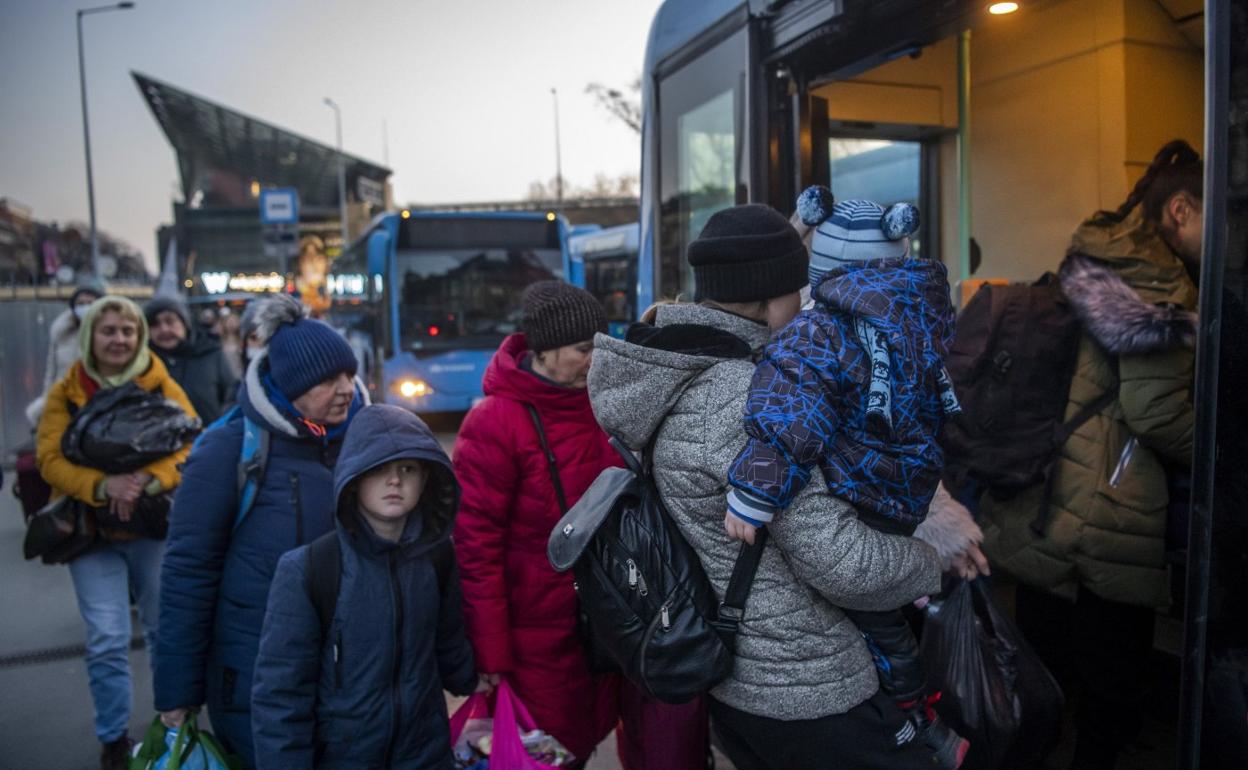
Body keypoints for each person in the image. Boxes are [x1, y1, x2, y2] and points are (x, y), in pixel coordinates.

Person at [588, 203, 952, 769]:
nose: (809, 301)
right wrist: (933, 563)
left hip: (745, 680)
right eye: (799, 288)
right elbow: (845, 565)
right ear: (764, 298)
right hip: (809, 687)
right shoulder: (742, 399)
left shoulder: (678, 368)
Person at [722, 191, 968, 767]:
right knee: (887, 615)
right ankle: (919, 709)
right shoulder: (919, 317)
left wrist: (753, 496)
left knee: (875, 622)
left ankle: (914, 716)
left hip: (855, 488)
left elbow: (787, 420)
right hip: (905, 493)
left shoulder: (818, 336)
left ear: (820, 271)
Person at [980, 140, 1199, 770]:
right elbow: (1156, 412)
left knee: (1048, 676)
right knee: (1112, 695)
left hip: (1050, 497)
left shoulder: (1097, 258)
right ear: (1181, 210)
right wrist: (1220, 456)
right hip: (1111, 507)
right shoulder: (1159, 286)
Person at [453, 281, 709, 768]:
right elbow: (475, 549)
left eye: (599, 344)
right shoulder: (495, 422)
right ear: (544, 351)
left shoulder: (606, 407)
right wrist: (489, 652)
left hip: (612, 625)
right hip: (537, 639)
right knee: (551, 753)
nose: (596, 358)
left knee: (596, 737)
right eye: (582, 348)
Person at [153, 294, 366, 769]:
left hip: (354, 670)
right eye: (329, 379)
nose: (347, 388)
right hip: (253, 673)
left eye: (350, 375)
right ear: (290, 385)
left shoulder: (370, 439)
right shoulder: (227, 450)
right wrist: (177, 691)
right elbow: (189, 571)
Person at [251, 404, 481, 768]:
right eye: (379, 469)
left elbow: (449, 639)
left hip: (425, 753)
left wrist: (473, 679)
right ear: (354, 479)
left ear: (426, 480)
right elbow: (280, 696)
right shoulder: (309, 570)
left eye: (408, 468)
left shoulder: (437, 557)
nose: (395, 480)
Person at [35, 295, 197, 770]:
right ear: (90, 337)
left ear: (139, 335)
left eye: (127, 331)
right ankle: (113, 738)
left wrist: (148, 481)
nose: (119, 340)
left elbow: (192, 442)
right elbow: (49, 460)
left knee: (164, 629)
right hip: (90, 533)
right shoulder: (66, 391)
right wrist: (104, 486)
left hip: (151, 529)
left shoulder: (160, 382)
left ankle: (173, 722)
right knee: (106, 637)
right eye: (108, 331)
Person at [144, 296, 238, 424]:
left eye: (170, 321)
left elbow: (231, 397)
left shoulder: (210, 353)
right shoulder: (144, 364)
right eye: (155, 324)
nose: (164, 329)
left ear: (184, 323)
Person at [25, 280, 105, 427]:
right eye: (80, 303)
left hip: (97, 402)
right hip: (64, 401)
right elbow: (51, 372)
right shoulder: (61, 333)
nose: (85, 307)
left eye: (90, 302)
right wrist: (47, 400)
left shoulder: (107, 335)